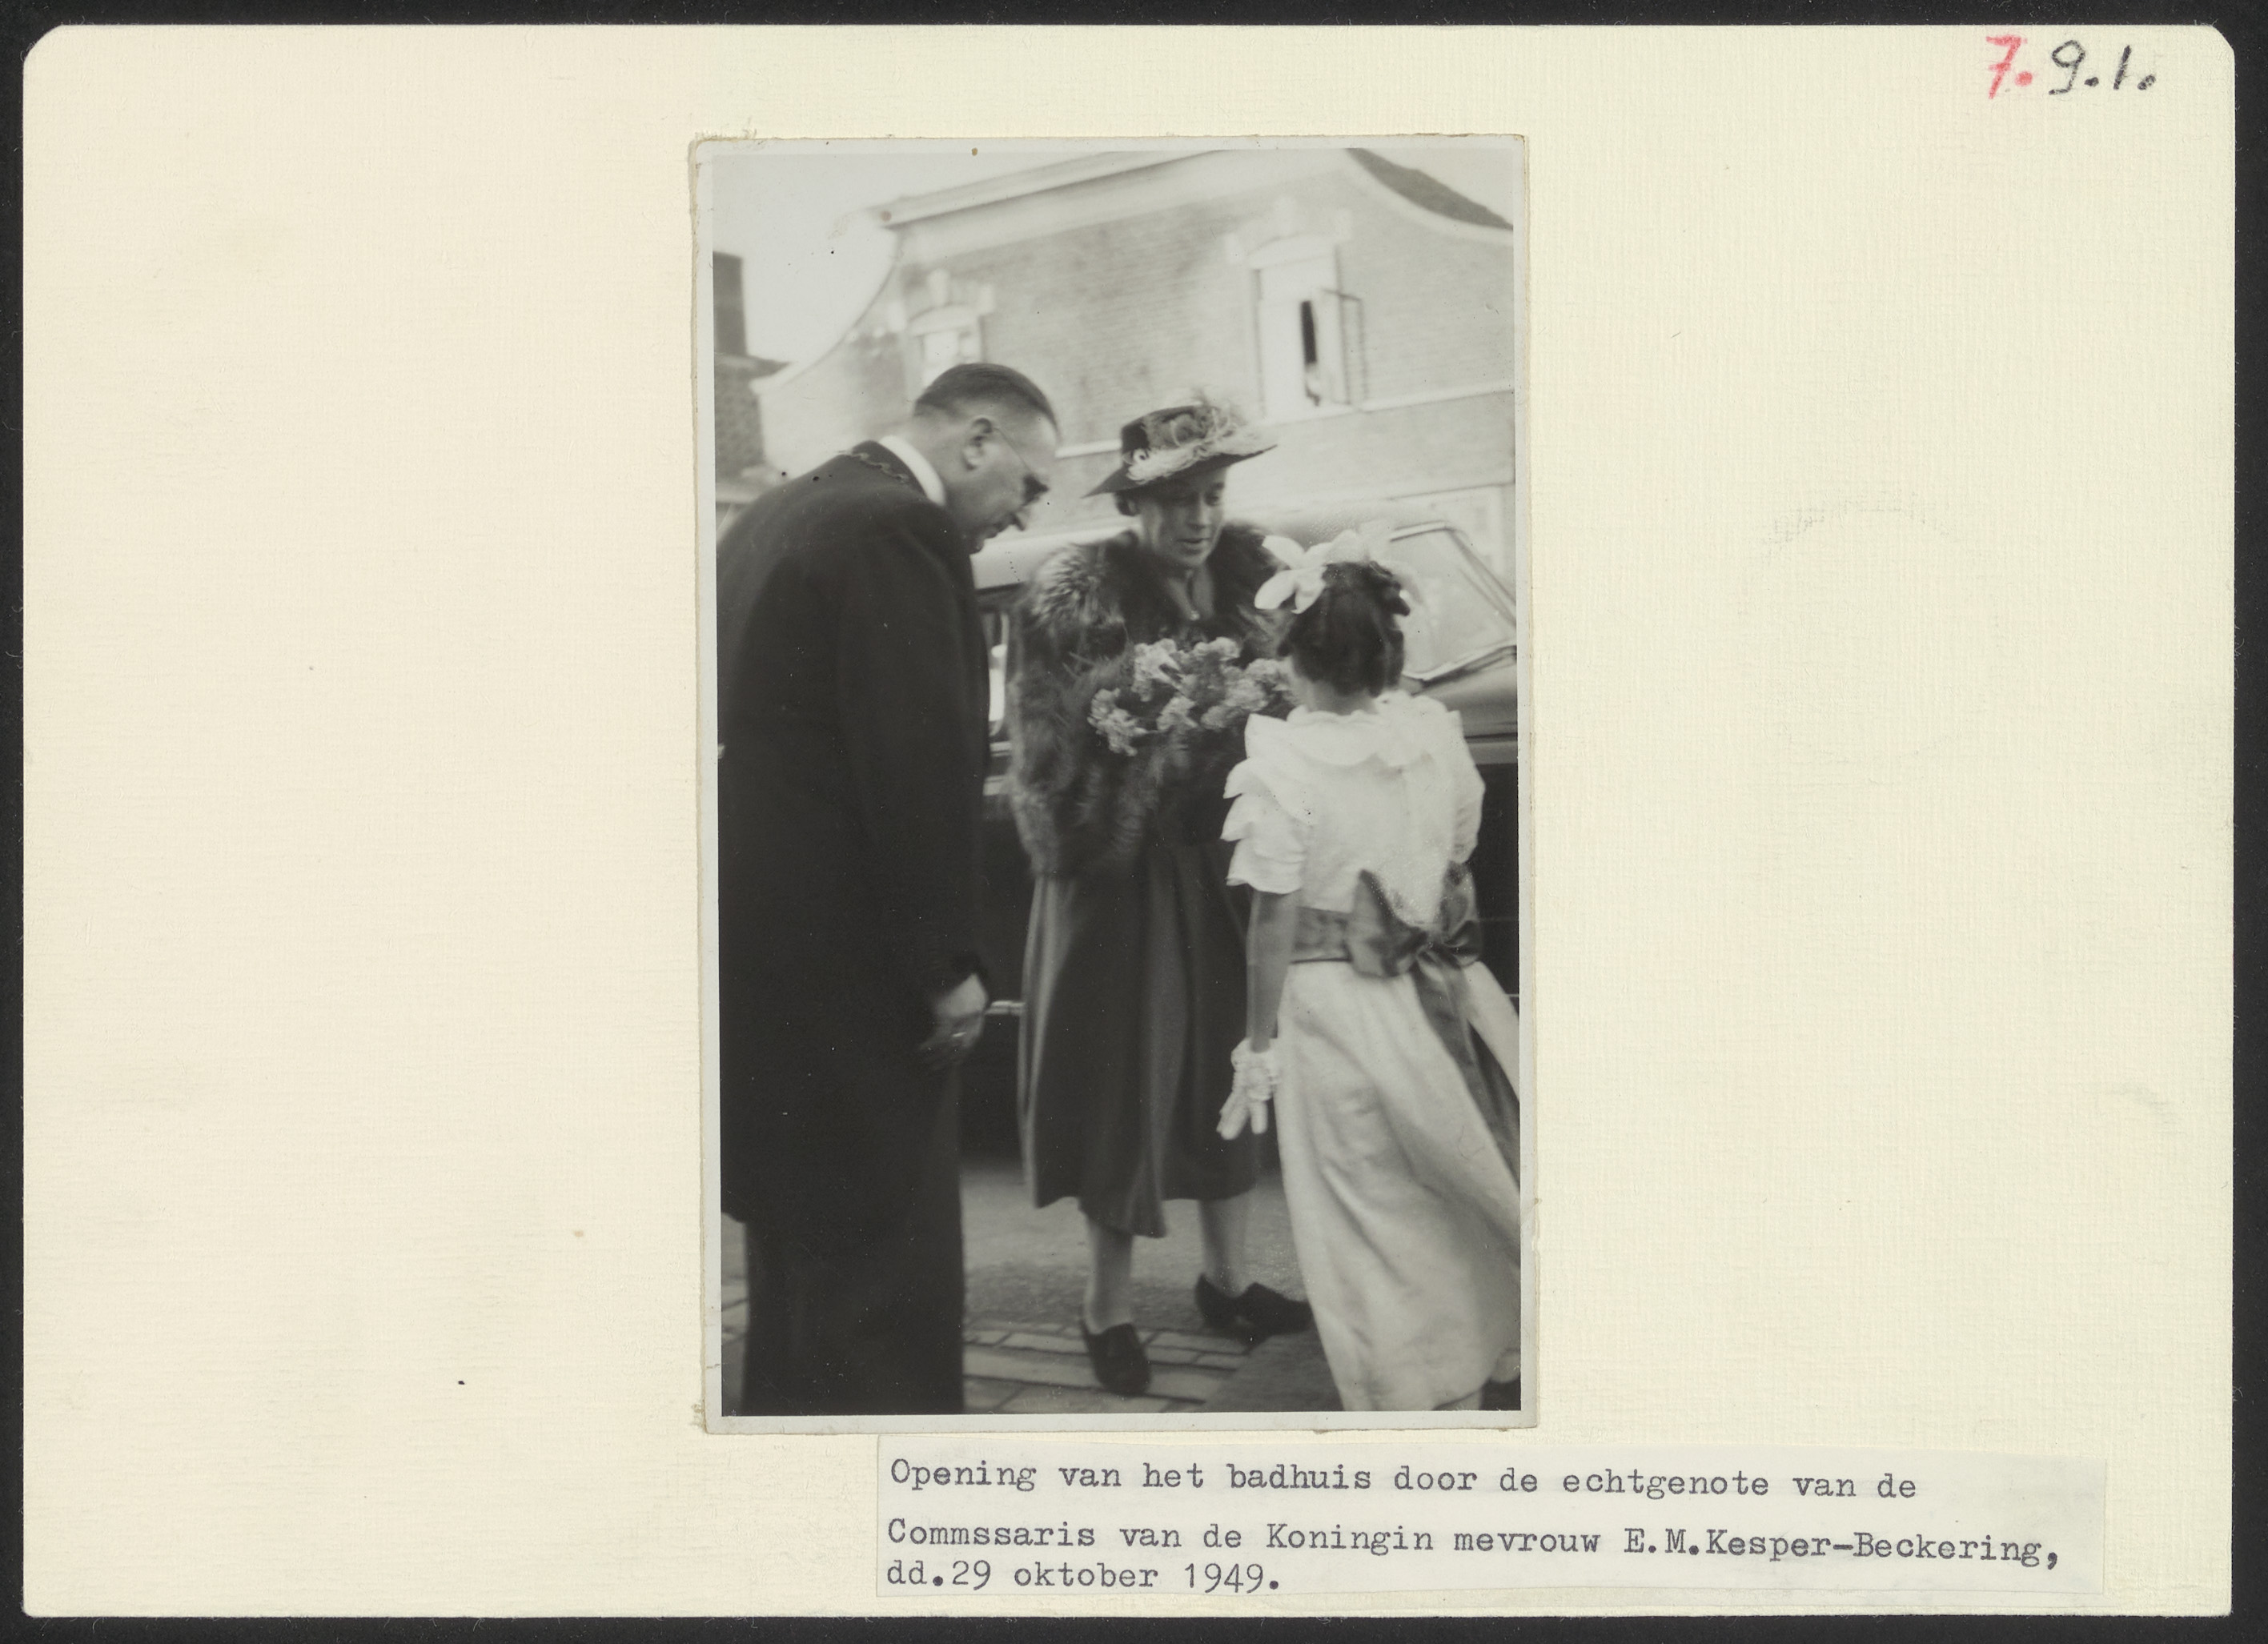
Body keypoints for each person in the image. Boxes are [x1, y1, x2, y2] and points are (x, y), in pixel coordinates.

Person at [717, 363, 1061, 1415]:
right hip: (860, 981)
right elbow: (914, 763)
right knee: (883, 1286)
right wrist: (945, 963)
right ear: (978, 440)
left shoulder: (773, 515)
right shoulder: (899, 531)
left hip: (762, 970)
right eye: (1029, 486)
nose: (1022, 515)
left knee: (795, 1273)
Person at [1004, 395, 1312, 1397]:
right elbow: (1043, 762)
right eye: (1178, 499)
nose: (1199, 517)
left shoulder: (1258, 581)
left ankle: (1228, 1281)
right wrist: (1149, 733)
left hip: (1225, 865)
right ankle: (1107, 1307)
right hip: (1119, 874)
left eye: (1212, 494)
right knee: (1120, 1080)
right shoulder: (1073, 601)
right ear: (1133, 502)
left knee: (1231, 1057)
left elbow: (1301, 708)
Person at [1217, 551, 1523, 1413]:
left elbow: (1270, 923)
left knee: (1365, 1208)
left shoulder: (1284, 764)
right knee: (1449, 1187)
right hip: (1442, 993)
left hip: (1334, 1011)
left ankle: (1408, 1387)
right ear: (1388, 653)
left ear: (1296, 658)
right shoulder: (1430, 737)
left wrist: (1258, 1043)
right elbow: (1457, 849)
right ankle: (1476, 1358)